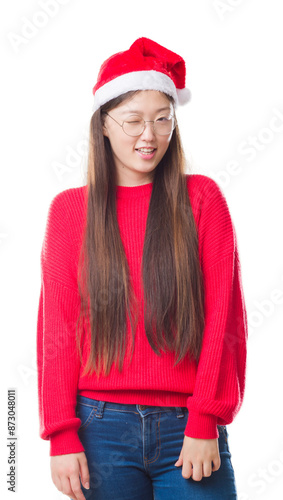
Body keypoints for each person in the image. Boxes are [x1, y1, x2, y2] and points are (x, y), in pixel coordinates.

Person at [36, 37, 248, 500]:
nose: (148, 136)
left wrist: (205, 418)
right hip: (99, 427)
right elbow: (59, 327)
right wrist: (60, 434)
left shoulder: (203, 200)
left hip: (187, 426)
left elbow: (222, 318)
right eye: (133, 121)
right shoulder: (70, 211)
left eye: (162, 120)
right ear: (104, 126)